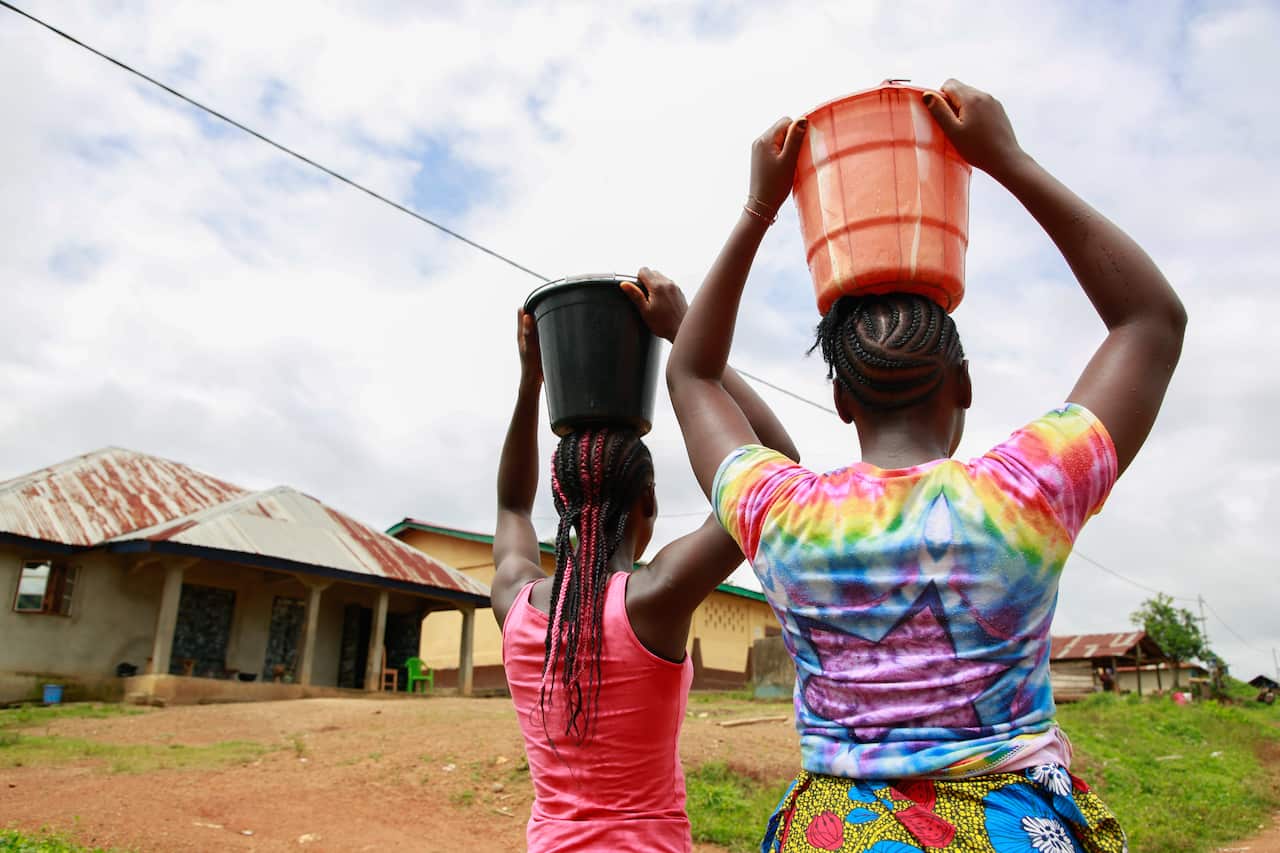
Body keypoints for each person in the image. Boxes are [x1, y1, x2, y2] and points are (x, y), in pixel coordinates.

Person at [667, 79, 1186, 851]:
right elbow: (1151, 320)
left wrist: (759, 210)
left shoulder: (780, 513)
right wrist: (1006, 161)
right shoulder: (1027, 489)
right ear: (964, 384)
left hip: (836, 834)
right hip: (1015, 829)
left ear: (842, 400)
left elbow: (692, 376)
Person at [492, 268, 798, 852]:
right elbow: (776, 466)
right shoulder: (655, 599)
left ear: (558, 500)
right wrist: (686, 338)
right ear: (649, 501)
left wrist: (533, 379)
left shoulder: (515, 602)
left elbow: (510, 504)